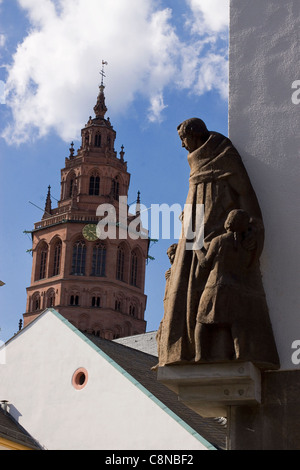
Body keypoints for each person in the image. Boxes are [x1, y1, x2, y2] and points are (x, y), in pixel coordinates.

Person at [157, 118, 279, 370]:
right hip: (195, 230)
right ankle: (185, 351)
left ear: (195, 135)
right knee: (188, 290)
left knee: (214, 308)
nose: (182, 145)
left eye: (183, 138)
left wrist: (253, 228)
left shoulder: (225, 157)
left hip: (214, 231)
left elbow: (245, 195)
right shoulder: (195, 163)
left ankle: (219, 352)